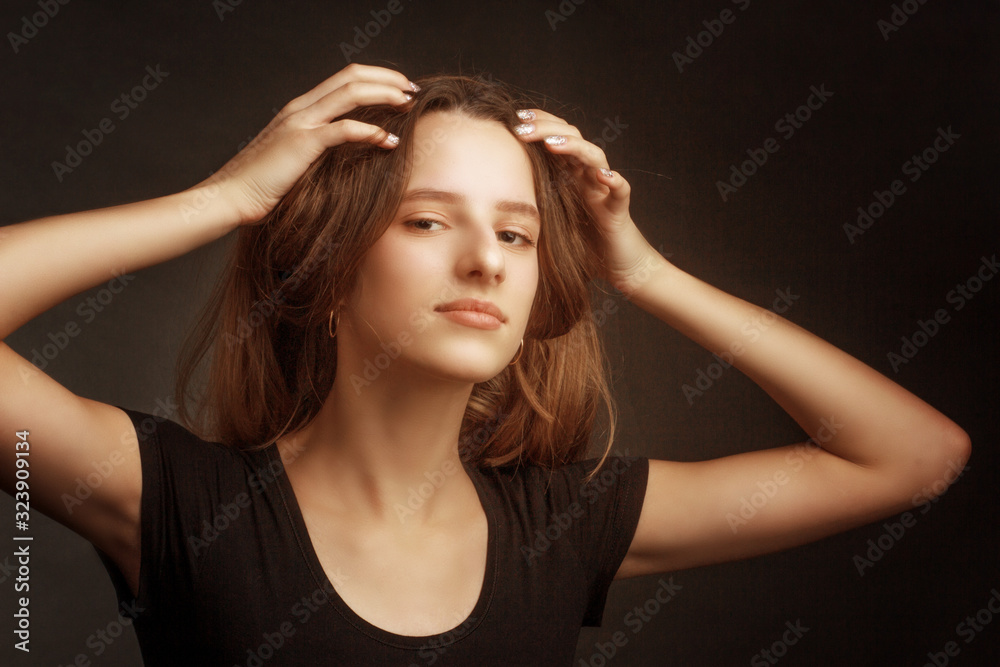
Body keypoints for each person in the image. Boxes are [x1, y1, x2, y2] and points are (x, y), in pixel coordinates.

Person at [0, 64, 970, 665]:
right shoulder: (169, 495)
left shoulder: (561, 522)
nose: (485, 261)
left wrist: (644, 270)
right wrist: (219, 202)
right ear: (331, 271)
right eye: (427, 221)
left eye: (519, 234)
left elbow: (912, 455)